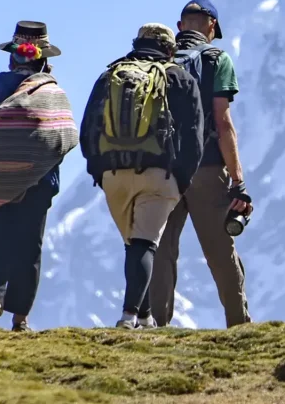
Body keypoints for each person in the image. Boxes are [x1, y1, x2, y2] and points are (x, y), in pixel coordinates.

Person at [79, 23, 203, 329]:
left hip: (112, 174)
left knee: (133, 245)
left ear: (136, 43)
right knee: (144, 244)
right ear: (170, 49)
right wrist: (180, 179)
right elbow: (194, 137)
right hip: (158, 174)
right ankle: (129, 315)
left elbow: (87, 131)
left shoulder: (110, 75)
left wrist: (100, 171)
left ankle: (145, 317)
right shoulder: (179, 77)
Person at [150, 0, 254, 328]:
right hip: (206, 168)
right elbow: (223, 123)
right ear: (211, 26)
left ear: (180, 26)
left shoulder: (156, 61)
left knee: (162, 250)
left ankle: (157, 329)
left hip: (159, 170)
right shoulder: (216, 59)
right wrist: (238, 181)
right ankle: (238, 325)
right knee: (220, 251)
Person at [0, 21, 65, 332]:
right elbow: (61, 139)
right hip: (36, 185)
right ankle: (20, 319)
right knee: (27, 247)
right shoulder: (52, 94)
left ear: (11, 58)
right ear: (44, 60)